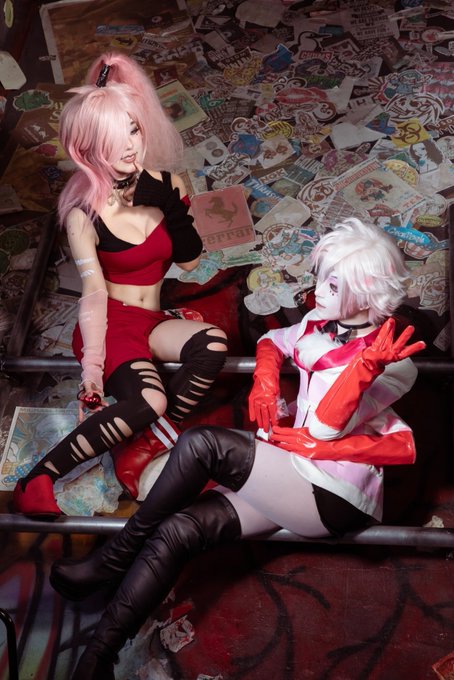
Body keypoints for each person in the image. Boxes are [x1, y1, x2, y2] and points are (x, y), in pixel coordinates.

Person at [49, 218, 425, 679]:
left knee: (203, 444)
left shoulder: (396, 365)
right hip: (292, 471)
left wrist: (363, 368)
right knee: (180, 530)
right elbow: (272, 341)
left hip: (334, 493)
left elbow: (325, 430)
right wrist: (265, 380)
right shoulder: (319, 322)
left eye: (332, 283)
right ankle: (96, 660)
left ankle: (113, 557)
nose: (318, 290)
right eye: (320, 276)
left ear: (365, 295)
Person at [12, 51, 228, 518]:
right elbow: (93, 294)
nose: (130, 147)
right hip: (111, 324)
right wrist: (91, 370)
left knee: (212, 343)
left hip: (151, 318)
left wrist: (170, 203)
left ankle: (148, 442)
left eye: (133, 129)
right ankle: (38, 479)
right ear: (88, 148)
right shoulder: (83, 213)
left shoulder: (166, 183)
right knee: (151, 397)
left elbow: (190, 261)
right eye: (114, 139)